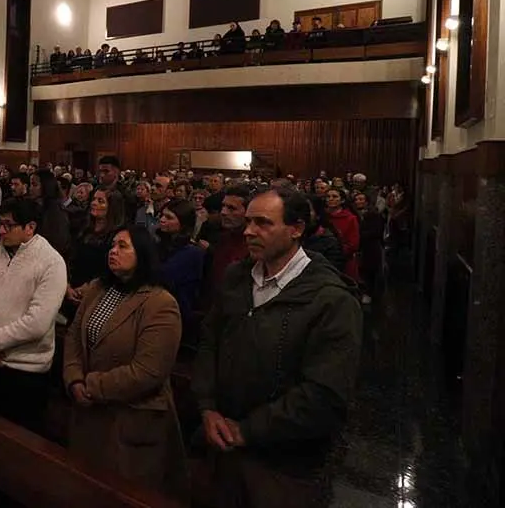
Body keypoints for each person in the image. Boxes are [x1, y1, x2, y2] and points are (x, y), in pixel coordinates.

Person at [192, 188, 363, 508]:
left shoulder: (331, 300)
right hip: (222, 445)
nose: (248, 232)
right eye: (247, 222)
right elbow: (209, 342)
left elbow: (324, 396)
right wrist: (207, 407)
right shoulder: (237, 277)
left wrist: (248, 430)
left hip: (285, 465)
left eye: (262, 223)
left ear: (296, 229)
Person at [63, 226, 187, 498]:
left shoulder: (159, 302)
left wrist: (92, 386)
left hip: (129, 419)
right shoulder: (98, 288)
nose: (113, 251)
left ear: (142, 254)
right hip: (88, 414)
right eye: (112, 245)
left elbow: (149, 370)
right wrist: (73, 378)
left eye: (123, 246)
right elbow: (73, 337)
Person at [0, 198, 68, 434]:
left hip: (25, 373)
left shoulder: (51, 262)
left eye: (8, 225)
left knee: (19, 446)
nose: (0, 231)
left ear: (30, 227)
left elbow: (37, 323)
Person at [156, 198, 207, 345]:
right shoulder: (160, 244)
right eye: (162, 215)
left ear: (183, 223)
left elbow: (164, 276)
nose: (162, 220)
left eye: (169, 217)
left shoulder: (192, 252)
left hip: (177, 312)